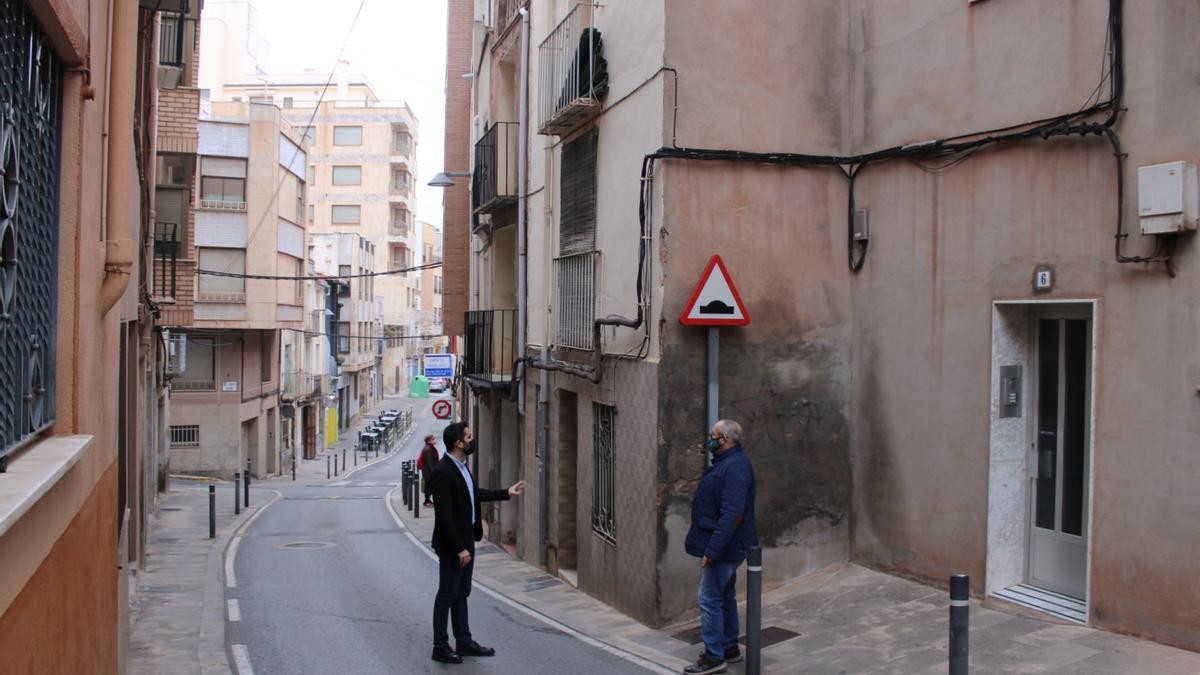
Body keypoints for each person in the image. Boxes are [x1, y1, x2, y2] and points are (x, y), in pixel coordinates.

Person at [429, 422, 526, 664]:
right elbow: (444, 517)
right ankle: (440, 646)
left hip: (466, 540)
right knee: (447, 594)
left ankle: (463, 641)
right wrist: (459, 548)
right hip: (453, 546)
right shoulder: (443, 472)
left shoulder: (462, 467)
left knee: (461, 592)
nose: (472, 440)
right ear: (458, 443)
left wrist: (506, 492)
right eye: (469, 437)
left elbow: (473, 493)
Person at [683, 419, 758, 675]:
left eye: (713, 435)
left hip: (724, 548)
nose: (710, 439)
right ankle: (729, 647)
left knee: (708, 598)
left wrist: (712, 550)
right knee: (724, 595)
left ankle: (713, 657)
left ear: (724, 440)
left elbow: (732, 514)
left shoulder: (735, 467)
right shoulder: (729, 463)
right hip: (726, 546)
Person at [418, 434, 440, 506]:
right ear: (428, 441)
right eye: (432, 439)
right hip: (428, 472)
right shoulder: (428, 449)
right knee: (430, 486)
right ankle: (427, 501)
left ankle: (427, 500)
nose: (434, 440)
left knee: (429, 486)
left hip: (427, 471)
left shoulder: (429, 448)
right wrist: (434, 472)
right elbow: (430, 463)